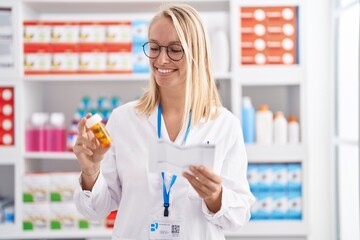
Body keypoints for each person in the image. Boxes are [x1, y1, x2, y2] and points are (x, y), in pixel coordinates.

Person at [73, 3, 255, 240]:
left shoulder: (224, 124)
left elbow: (239, 217)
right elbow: (96, 210)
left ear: (197, 53)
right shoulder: (124, 120)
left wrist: (215, 197)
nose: (161, 59)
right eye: (155, 47)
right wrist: (90, 171)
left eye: (174, 49)